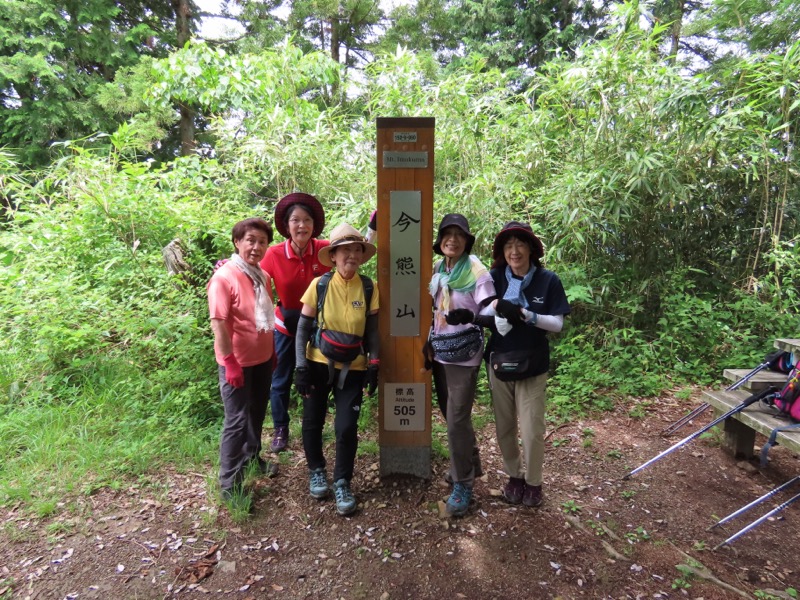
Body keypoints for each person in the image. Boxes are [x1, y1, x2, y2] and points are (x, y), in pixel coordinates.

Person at [293, 223, 380, 516]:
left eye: (356, 250)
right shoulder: (319, 284)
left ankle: (342, 481)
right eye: (345, 251)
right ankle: (316, 470)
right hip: (317, 363)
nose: (351, 256)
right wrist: (300, 366)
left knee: (346, 427)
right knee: (313, 421)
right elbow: (303, 327)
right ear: (333, 256)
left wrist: (374, 363)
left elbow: (373, 331)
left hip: (353, 367)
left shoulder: (368, 286)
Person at [486, 221, 570, 508]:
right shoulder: (495, 276)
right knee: (504, 427)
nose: (514, 251)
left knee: (532, 429)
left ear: (532, 248)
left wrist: (525, 314)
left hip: (533, 364)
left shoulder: (548, 280)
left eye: (520, 244)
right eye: (508, 245)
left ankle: (534, 482)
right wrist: (494, 308)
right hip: (500, 360)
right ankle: (515, 476)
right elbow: (482, 308)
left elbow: (557, 324)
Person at [427, 214, 496, 517]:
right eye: (447, 234)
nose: (452, 239)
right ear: (440, 240)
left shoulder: (477, 271)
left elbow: (493, 313)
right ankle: (470, 463)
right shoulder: (441, 268)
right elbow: (435, 309)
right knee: (452, 416)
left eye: (459, 235)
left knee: (456, 421)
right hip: (441, 352)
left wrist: (470, 318)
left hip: (464, 357)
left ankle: (463, 483)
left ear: (467, 241)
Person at [207, 218, 278, 501]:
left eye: (262, 242)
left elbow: (265, 319)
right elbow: (219, 324)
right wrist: (230, 362)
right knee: (236, 421)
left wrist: (271, 352)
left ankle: (252, 459)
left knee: (257, 414)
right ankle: (229, 486)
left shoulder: (262, 276)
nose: (256, 246)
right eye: (250, 240)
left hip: (261, 360)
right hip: (236, 363)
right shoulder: (224, 277)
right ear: (237, 242)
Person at [260, 193, 330, 453]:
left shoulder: (325, 250)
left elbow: (353, 255)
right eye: (295, 220)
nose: (302, 226)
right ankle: (280, 428)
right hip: (285, 326)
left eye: (307, 220)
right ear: (287, 226)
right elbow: (254, 273)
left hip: (318, 327)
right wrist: (225, 267)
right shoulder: (273, 254)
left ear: (314, 224)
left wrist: (373, 230)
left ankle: (314, 427)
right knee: (280, 379)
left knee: (317, 376)